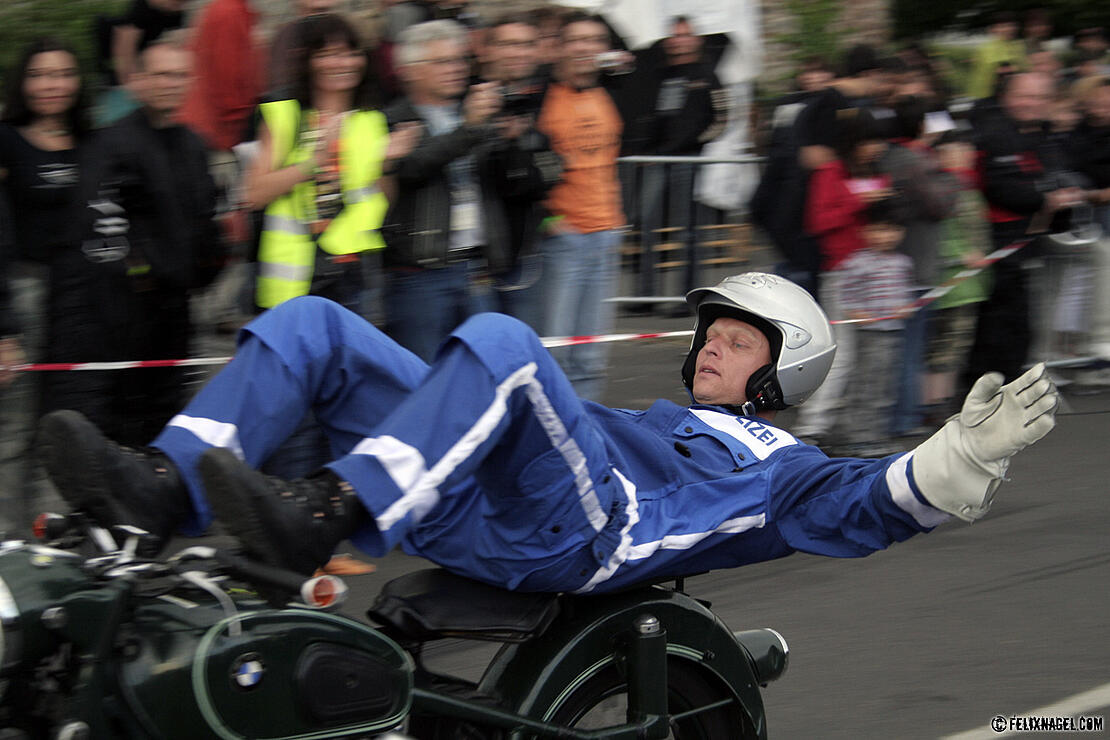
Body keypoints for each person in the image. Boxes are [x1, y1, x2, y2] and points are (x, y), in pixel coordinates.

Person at [39, 272, 1059, 594]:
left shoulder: (785, 465)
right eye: (711, 331)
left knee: (506, 343)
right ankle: (162, 490)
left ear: (781, 371)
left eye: (740, 339)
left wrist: (956, 459)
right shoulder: (657, 413)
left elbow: (867, 501)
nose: (712, 345)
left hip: (587, 533)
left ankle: (329, 510)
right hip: (486, 498)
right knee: (314, 324)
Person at [66, 36, 222, 445]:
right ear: (138, 80)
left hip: (178, 311)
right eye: (162, 74)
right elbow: (96, 221)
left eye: (180, 75)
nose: (171, 83)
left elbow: (208, 218)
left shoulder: (194, 144)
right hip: (120, 314)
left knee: (169, 417)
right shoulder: (110, 144)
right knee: (117, 422)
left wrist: (209, 265)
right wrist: (139, 272)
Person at [246, 13, 404, 317]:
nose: (343, 63)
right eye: (329, 54)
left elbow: (383, 201)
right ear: (308, 61)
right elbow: (254, 194)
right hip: (293, 279)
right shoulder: (285, 114)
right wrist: (313, 163)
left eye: (351, 53)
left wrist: (387, 164)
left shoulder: (371, 120)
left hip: (354, 273)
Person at [0, 37, 89, 534]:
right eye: (39, 75)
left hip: (81, 298)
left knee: (67, 424)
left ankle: (50, 544)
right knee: (14, 430)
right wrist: (5, 329)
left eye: (62, 73)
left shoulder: (93, 141)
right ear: (23, 83)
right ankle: (7, 546)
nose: (52, 85)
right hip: (24, 293)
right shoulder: (6, 140)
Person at [380, 19, 508, 361]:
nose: (456, 69)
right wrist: (470, 129)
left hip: (475, 267)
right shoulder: (392, 119)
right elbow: (412, 170)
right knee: (421, 375)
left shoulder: (476, 113)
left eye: (460, 60)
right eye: (443, 61)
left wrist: (513, 136)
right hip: (420, 273)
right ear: (410, 71)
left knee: (482, 372)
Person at [965, 72, 1085, 387]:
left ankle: (1009, 381)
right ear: (1008, 97)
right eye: (1025, 96)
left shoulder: (1044, 136)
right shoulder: (994, 134)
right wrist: (1046, 197)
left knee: (1020, 320)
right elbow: (1000, 187)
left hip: (1031, 239)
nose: (1032, 103)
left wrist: (1064, 195)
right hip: (996, 240)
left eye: (1040, 97)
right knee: (1000, 320)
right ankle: (988, 386)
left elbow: (1058, 175)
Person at [535, 11, 626, 400]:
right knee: (553, 352)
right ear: (558, 47)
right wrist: (549, 220)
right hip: (564, 239)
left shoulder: (609, 94)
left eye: (595, 39)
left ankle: (585, 428)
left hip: (606, 233)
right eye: (577, 39)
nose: (586, 48)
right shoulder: (542, 97)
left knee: (591, 355)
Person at [792, 109, 892, 446]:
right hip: (844, 273)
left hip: (879, 274)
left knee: (872, 355)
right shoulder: (830, 172)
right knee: (843, 353)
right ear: (854, 142)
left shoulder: (878, 171)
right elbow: (817, 222)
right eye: (870, 141)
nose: (876, 148)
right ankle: (812, 426)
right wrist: (859, 201)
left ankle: (853, 426)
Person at [475, 12, 564, 329]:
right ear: (486, 50)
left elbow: (548, 177)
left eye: (527, 44)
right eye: (509, 44)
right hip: (477, 264)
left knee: (526, 351)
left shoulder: (537, 102)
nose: (519, 53)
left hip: (524, 255)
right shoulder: (469, 102)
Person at [837, 200, 913, 456]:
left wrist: (906, 307)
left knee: (886, 386)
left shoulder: (903, 263)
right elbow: (846, 295)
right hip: (870, 335)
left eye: (893, 230)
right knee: (866, 385)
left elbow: (903, 293)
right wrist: (856, 312)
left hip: (894, 332)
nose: (886, 236)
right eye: (880, 229)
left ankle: (877, 436)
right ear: (866, 231)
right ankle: (857, 438)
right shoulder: (858, 262)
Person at [966, 12, 1026, 100]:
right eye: (1002, 26)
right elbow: (998, 69)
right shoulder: (986, 48)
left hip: (1012, 94)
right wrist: (1017, 68)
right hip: (987, 96)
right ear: (992, 30)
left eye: (1011, 25)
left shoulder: (1018, 46)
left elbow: (1025, 67)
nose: (1008, 29)